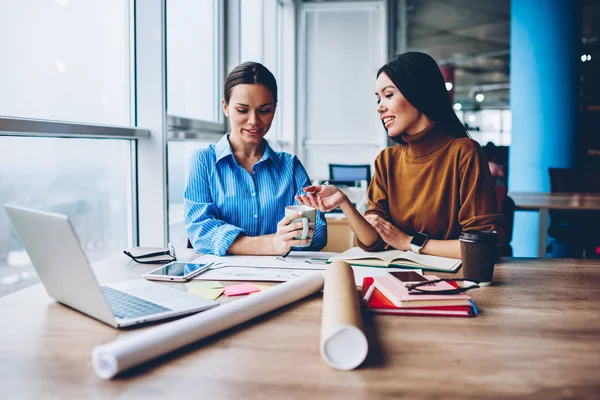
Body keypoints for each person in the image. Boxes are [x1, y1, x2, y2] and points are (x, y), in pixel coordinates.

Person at [296, 52, 505, 259]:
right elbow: (373, 241)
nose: (380, 107)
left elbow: (480, 247)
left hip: (451, 282)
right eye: (378, 99)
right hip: (395, 277)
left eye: (388, 95)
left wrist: (408, 242)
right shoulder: (387, 160)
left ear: (418, 93)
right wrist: (344, 202)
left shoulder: (464, 152)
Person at [185, 62, 327, 256]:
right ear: (225, 107)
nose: (253, 121)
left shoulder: (290, 166)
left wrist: (240, 242)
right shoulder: (203, 161)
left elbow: (318, 232)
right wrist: (274, 244)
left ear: (274, 109)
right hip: (222, 279)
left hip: (285, 276)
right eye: (242, 110)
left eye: (264, 110)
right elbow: (201, 232)